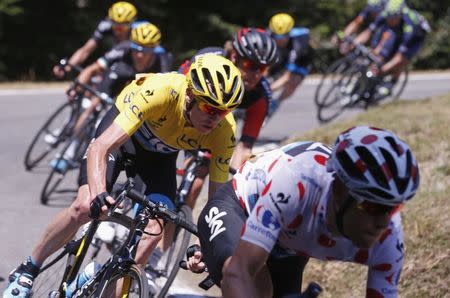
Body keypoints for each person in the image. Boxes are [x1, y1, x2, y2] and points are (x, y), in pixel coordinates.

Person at [3, 54, 244, 298]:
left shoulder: (225, 131)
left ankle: (97, 287)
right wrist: (98, 194)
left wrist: (206, 246)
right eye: (208, 108)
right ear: (190, 95)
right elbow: (101, 147)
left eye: (223, 112)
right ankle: (28, 269)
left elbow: (218, 202)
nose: (215, 118)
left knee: (153, 232)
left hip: (158, 160)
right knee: (84, 206)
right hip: (120, 141)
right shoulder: (160, 91)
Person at [189, 126, 420, 297]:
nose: (382, 222)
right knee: (257, 287)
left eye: (392, 208)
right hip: (241, 207)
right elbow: (239, 271)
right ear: (339, 190)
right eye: (372, 207)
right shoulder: (295, 184)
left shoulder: (389, 238)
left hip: (291, 239)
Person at [50, 21, 172, 173]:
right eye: (136, 48)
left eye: (146, 50)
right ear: (130, 44)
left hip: (140, 93)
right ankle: (69, 153)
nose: (139, 54)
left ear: (154, 49)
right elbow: (92, 69)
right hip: (116, 81)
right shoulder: (122, 49)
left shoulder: (163, 61)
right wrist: (76, 87)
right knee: (90, 108)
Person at [177, 27, 278, 207]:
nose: (255, 74)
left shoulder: (260, 95)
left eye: (261, 68)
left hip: (214, 126)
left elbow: (244, 147)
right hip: (185, 110)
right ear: (234, 57)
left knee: (197, 178)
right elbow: (176, 93)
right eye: (249, 65)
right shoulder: (208, 60)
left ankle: (181, 216)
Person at [354, 0, 430, 95]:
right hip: (397, 29)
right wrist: (353, 43)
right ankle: (371, 76)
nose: (390, 21)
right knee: (381, 48)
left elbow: (400, 57)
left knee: (403, 58)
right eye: (388, 18)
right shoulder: (386, 14)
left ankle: (392, 82)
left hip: (417, 36)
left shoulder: (410, 26)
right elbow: (369, 31)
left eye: (393, 18)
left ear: (400, 15)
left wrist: (383, 69)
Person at [52, 1, 138, 78]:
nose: (118, 31)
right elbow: (86, 50)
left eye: (123, 27)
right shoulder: (105, 27)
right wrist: (68, 67)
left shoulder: (139, 31)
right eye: (115, 25)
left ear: (132, 23)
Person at [266, 13, 314, 118]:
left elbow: (287, 77)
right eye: (276, 36)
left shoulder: (298, 43)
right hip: (283, 54)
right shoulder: (268, 34)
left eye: (283, 36)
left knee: (293, 81)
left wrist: (266, 89)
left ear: (289, 33)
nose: (280, 39)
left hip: (301, 60)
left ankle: (277, 102)